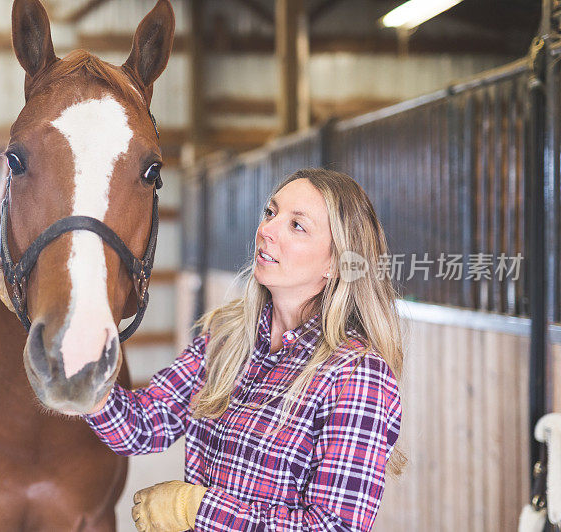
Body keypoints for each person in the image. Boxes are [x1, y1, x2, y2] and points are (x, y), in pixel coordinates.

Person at [80, 168, 407, 531]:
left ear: (335, 263)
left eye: (297, 225)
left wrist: (196, 510)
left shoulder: (357, 376)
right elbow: (145, 425)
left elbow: (333, 526)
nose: (267, 229)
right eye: (271, 212)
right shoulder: (225, 338)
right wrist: (84, 382)